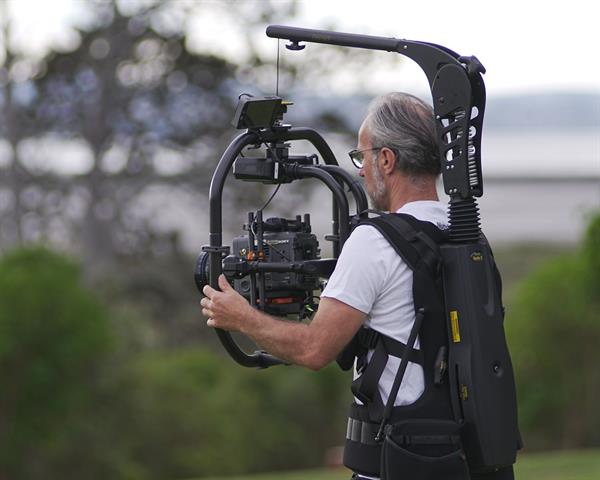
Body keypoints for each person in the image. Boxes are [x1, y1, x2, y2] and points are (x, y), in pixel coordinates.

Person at [201, 92, 448, 480]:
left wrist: (241, 317)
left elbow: (315, 349)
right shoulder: (464, 233)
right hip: (460, 453)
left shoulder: (375, 242)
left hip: (403, 459)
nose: (361, 172)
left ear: (387, 160)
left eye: (362, 157)